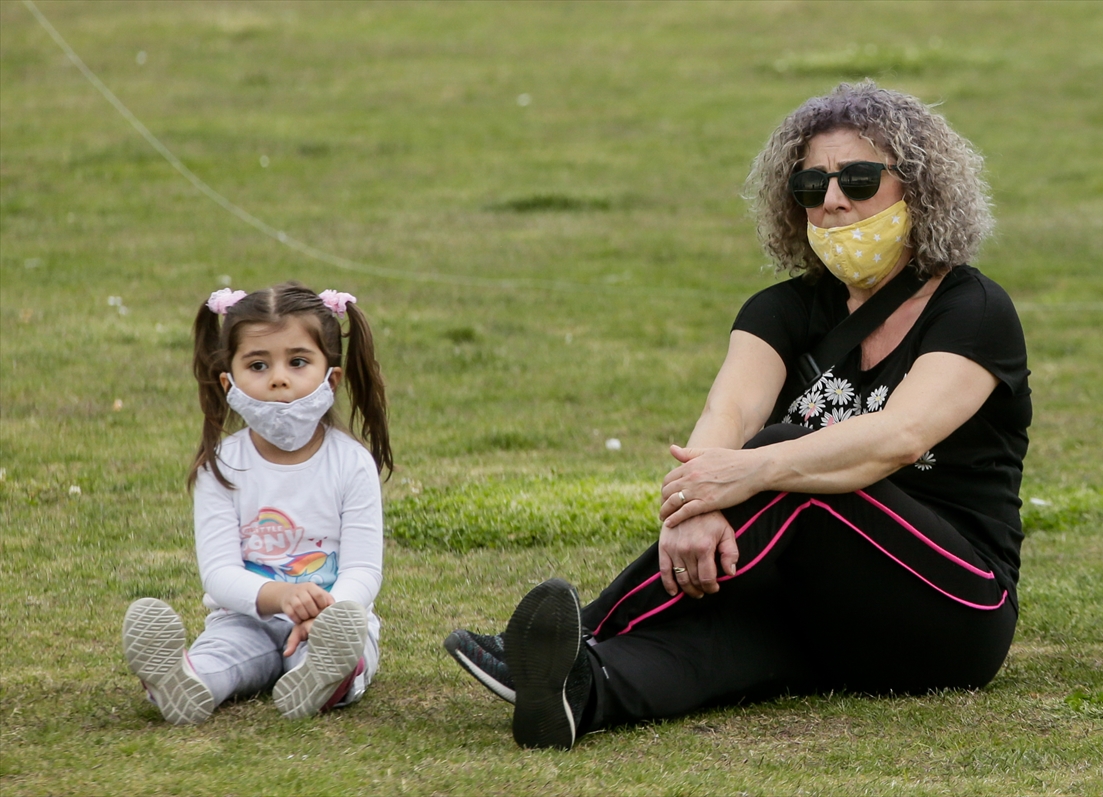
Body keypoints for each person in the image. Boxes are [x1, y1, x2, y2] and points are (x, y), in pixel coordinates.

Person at [445, 80, 1031, 750]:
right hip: (824, 612)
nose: (834, 200)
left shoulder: (974, 310)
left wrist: (744, 474)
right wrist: (696, 505)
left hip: (954, 609)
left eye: (860, 179)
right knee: (710, 638)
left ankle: (589, 626)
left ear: (918, 189)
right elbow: (729, 408)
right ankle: (578, 688)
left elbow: (900, 436)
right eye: (812, 186)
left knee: (791, 462)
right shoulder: (779, 312)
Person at [122, 282, 392, 724]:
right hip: (244, 619)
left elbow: (364, 571)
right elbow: (220, 574)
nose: (279, 377)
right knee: (219, 656)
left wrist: (326, 613)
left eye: (298, 361)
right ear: (229, 382)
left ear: (332, 378)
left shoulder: (352, 464)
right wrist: (282, 596)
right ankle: (181, 683)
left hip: (333, 621)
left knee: (340, 649)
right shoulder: (222, 464)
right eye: (258, 364)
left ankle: (326, 678)